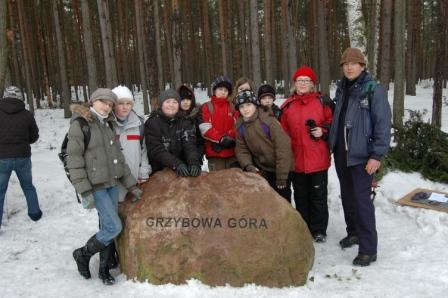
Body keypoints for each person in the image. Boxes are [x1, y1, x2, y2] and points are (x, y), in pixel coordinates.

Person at [68, 88, 142, 285]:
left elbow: (119, 159)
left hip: (112, 184)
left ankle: (103, 269)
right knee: (113, 226)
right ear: (92, 101)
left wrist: (131, 185)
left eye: (110, 104)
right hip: (96, 186)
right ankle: (82, 254)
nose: (106, 107)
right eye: (103, 102)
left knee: (108, 226)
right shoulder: (81, 124)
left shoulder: (107, 124)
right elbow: (73, 160)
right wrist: (84, 190)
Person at [329, 48, 391, 266]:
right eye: (345, 64)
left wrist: (377, 155)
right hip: (341, 154)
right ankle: (353, 232)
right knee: (347, 197)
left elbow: (383, 124)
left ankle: (368, 249)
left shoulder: (373, 89)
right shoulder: (342, 89)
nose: (349, 67)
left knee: (362, 201)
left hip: (363, 156)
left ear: (362, 66)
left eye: (354, 63)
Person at [281, 66, 333, 243]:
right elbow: (283, 132)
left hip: (317, 158)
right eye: (299, 80)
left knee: (318, 197)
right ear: (294, 84)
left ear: (312, 84)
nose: (302, 84)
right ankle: (304, 228)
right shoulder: (287, 106)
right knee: (301, 196)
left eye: (306, 81)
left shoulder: (322, 102)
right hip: (296, 160)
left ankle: (318, 230)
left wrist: (323, 131)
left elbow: (332, 122)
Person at [234, 90, 293, 201]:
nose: (245, 109)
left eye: (248, 105)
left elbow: (283, 147)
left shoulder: (268, 120)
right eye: (241, 106)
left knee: (282, 201)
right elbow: (242, 149)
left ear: (255, 105)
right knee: (267, 202)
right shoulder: (240, 126)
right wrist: (248, 166)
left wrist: (282, 175)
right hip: (263, 170)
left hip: (280, 169)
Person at [0, 86, 41, 229]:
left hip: (2, 157)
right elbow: (34, 136)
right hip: (22, 156)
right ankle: (35, 213)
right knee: (28, 186)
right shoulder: (27, 115)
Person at [144, 89, 201, 177]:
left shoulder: (185, 122)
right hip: (159, 172)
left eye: (175, 102)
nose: (171, 105)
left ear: (178, 105)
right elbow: (156, 149)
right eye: (168, 102)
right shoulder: (152, 123)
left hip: (183, 171)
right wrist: (176, 164)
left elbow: (190, 145)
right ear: (161, 104)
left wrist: (194, 162)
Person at [112, 85, 151, 201]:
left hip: (135, 181)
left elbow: (144, 150)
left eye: (128, 103)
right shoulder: (107, 125)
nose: (125, 107)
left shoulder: (139, 124)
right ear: (114, 105)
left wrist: (143, 172)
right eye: (120, 103)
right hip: (113, 183)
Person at [199, 75, 239, 171]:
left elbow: (238, 125)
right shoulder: (207, 107)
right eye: (220, 89)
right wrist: (220, 139)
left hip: (232, 152)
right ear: (214, 90)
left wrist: (230, 137)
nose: (223, 92)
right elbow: (205, 128)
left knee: (234, 182)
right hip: (214, 153)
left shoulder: (233, 107)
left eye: (226, 90)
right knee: (217, 183)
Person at [177, 84, 205, 164]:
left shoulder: (197, 115)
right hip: (177, 162)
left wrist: (198, 156)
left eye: (188, 99)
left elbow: (201, 139)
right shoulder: (174, 117)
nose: (185, 102)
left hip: (195, 159)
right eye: (182, 99)